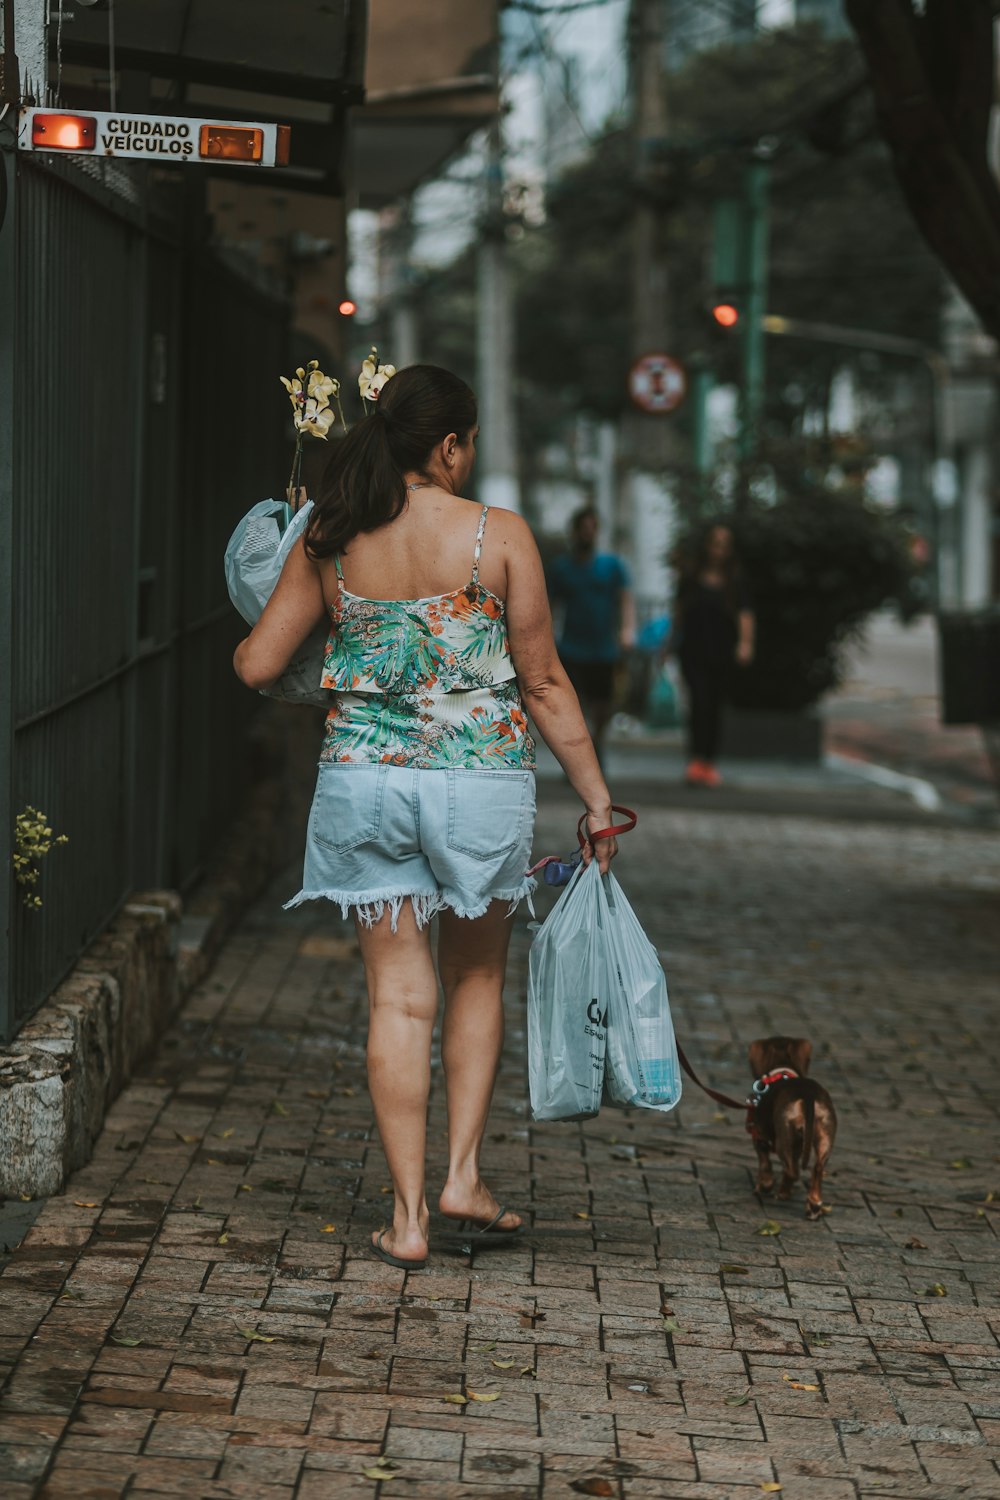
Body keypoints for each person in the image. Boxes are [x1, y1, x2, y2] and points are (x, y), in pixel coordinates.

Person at [233, 365, 617, 1270]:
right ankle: (462, 1178)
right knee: (475, 978)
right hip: (478, 787)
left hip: (363, 782)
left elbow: (257, 664)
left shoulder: (329, 533)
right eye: (468, 443)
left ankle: (406, 1219)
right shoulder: (498, 536)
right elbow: (545, 682)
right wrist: (597, 798)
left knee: (399, 999)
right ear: (448, 445)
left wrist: (322, 654)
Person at [547, 507, 635, 763]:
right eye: (582, 528)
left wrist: (628, 629)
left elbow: (625, 599)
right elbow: (550, 606)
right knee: (575, 703)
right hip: (573, 647)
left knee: (603, 703)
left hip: (604, 647)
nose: (587, 533)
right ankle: (580, 751)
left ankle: (597, 742)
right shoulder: (561, 569)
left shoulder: (612, 566)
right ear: (574, 532)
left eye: (592, 528)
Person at [671, 522, 755, 787]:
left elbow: (745, 613)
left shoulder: (735, 581)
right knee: (698, 703)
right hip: (693, 652)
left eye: (724, 545)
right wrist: (669, 642)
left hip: (721, 653)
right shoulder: (692, 577)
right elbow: (679, 612)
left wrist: (745, 643)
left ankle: (709, 761)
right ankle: (696, 759)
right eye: (715, 543)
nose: (719, 550)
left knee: (715, 706)